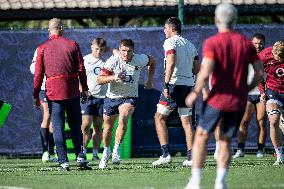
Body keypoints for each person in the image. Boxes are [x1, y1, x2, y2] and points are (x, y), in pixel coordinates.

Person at [184, 3, 264, 189]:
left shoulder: (213, 42)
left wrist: (195, 92)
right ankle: (221, 182)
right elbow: (260, 73)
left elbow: (205, 73)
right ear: (235, 20)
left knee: (202, 136)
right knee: (225, 140)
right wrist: (245, 88)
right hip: (238, 101)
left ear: (216, 19)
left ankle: (196, 181)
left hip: (217, 99)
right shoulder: (246, 43)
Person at [33, 18, 91, 171]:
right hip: (72, 91)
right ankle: (80, 158)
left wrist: (36, 95)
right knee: (75, 126)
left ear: (49, 30)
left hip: (53, 93)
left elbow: (38, 75)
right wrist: (84, 89)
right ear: (62, 29)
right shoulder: (72, 45)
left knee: (58, 127)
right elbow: (81, 70)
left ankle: (64, 162)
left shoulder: (42, 48)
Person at [96, 39, 155, 169]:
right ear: (120, 49)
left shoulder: (139, 59)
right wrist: (114, 77)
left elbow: (152, 61)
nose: (126, 54)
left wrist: (150, 80)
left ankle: (116, 150)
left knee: (123, 119)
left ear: (133, 51)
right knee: (107, 128)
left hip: (129, 97)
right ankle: (106, 151)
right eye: (123, 50)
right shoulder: (113, 60)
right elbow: (99, 79)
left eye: (129, 51)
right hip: (112, 97)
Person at [151, 17, 199, 167]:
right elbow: (196, 68)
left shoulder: (170, 42)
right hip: (188, 86)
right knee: (186, 121)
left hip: (174, 85)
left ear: (171, 28)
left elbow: (170, 62)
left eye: (165, 28)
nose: (164, 31)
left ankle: (165, 155)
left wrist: (165, 84)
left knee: (159, 118)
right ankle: (191, 158)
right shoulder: (190, 45)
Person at [233, 33, 267, 158]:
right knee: (244, 121)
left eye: (260, 43)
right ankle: (240, 150)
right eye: (255, 43)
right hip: (248, 94)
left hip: (262, 94)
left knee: (261, 121)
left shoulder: (268, 56)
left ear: (264, 43)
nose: (258, 45)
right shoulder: (245, 56)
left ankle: (260, 150)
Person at [80, 38, 110, 160]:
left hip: (102, 98)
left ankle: (95, 154)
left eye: (101, 50)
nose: (98, 52)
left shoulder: (106, 63)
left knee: (98, 127)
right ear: (92, 47)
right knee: (86, 125)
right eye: (96, 48)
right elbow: (77, 77)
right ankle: (82, 152)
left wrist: (111, 50)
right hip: (88, 98)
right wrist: (82, 90)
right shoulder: (85, 60)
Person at [258, 41, 284, 165]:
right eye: (276, 56)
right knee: (273, 120)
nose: (278, 59)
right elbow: (258, 75)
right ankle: (279, 156)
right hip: (273, 91)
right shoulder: (263, 56)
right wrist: (262, 92)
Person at [30, 49, 57, 163]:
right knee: (47, 115)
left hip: (56, 88)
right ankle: (45, 151)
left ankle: (51, 153)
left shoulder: (61, 49)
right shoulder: (41, 49)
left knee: (53, 120)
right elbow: (33, 68)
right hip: (43, 89)